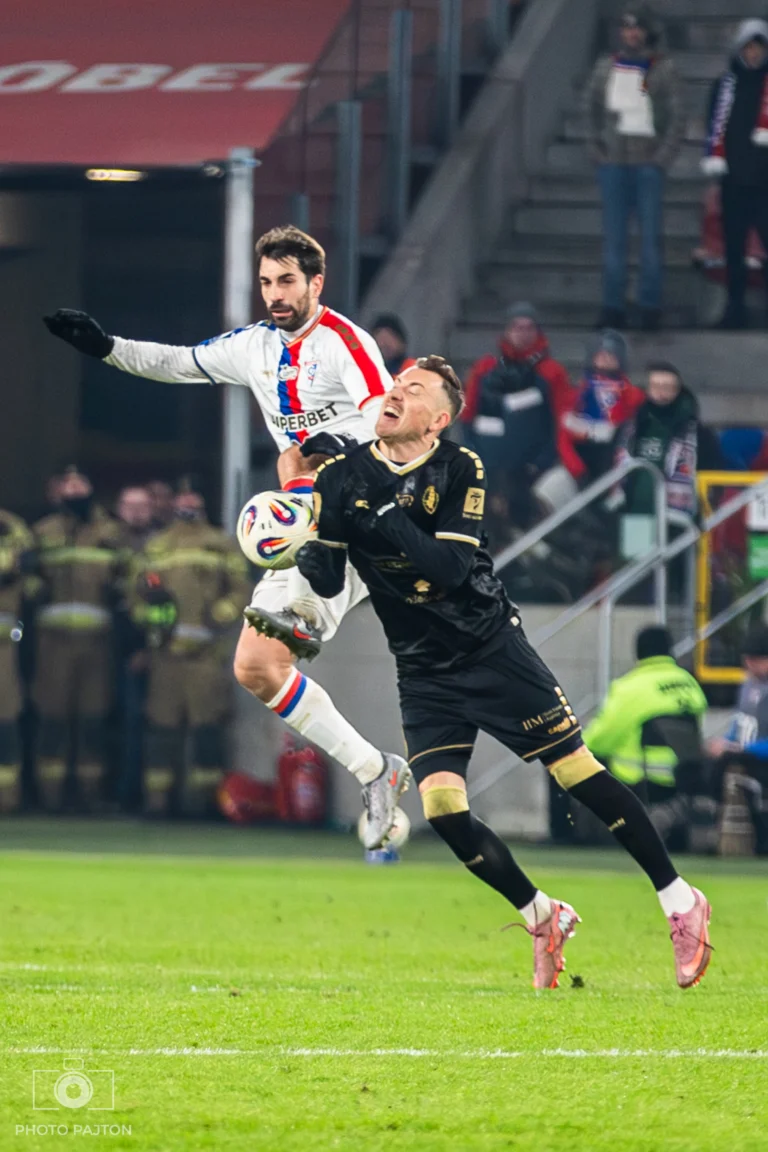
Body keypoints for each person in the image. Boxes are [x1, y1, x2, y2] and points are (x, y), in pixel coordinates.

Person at [296, 356, 712, 990]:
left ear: (436, 420)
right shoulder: (343, 475)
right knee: (441, 808)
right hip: (422, 667)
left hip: (490, 648)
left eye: (413, 390)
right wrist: (302, 539)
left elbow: (450, 571)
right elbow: (327, 574)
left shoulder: (460, 468)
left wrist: (378, 513)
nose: (394, 392)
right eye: (394, 384)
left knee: (576, 772)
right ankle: (541, 914)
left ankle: (680, 900)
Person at [43, 225, 409, 847]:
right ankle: (375, 771)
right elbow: (179, 362)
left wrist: (341, 444)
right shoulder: (253, 347)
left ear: (316, 283)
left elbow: (385, 420)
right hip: (306, 520)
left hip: (365, 513)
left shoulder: (347, 342)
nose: (274, 293)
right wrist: (106, 348)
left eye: (287, 281)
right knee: (256, 667)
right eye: (266, 281)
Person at [132, 486, 251, 816]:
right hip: (164, 656)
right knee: (161, 729)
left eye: (193, 500)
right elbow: (136, 595)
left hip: (206, 654)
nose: (188, 505)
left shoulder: (222, 543)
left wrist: (221, 615)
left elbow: (240, 589)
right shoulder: (157, 546)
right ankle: (157, 804)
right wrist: (152, 621)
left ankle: (202, 805)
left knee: (207, 730)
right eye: (182, 500)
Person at [31, 468, 124, 811]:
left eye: (79, 484)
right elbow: (28, 586)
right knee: (51, 718)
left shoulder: (111, 532)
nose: (73, 491)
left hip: (98, 644)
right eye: (66, 485)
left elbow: (128, 581)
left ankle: (91, 795)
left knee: (93, 719)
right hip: (51, 644)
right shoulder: (42, 533)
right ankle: (48, 798)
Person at [587, 5, 682, 330]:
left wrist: (662, 157)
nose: (632, 33)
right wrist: (595, 148)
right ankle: (612, 307)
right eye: (627, 28)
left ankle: (649, 306)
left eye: (637, 28)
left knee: (650, 241)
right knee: (614, 241)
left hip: (647, 164)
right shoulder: (606, 67)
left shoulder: (663, 69)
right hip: (613, 162)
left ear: (646, 32)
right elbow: (591, 108)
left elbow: (676, 115)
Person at [583, 627, 708, 846]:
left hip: (639, 776)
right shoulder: (691, 684)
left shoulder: (630, 687)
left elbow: (600, 739)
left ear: (638, 653)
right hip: (683, 775)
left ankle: (569, 835)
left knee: (572, 759)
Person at [462, 302, 583, 514]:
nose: (523, 334)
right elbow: (467, 413)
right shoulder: (484, 368)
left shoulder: (553, 372)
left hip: (533, 468)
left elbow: (563, 418)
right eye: (517, 328)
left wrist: (545, 460)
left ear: (538, 332)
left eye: (529, 328)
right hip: (489, 465)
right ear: (507, 331)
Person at [703, 20, 768, 329]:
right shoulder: (724, 86)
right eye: (749, 48)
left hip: (765, 182)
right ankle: (735, 308)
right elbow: (713, 127)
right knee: (734, 248)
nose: (754, 54)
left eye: (759, 48)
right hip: (734, 181)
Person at [708, 624, 768, 854]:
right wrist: (726, 743)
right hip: (746, 752)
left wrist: (744, 749)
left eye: (755, 659)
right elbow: (740, 724)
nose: (749, 665)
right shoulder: (748, 686)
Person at [114, 486, 156, 812]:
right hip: (100, 647)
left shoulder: (159, 546)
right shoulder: (105, 539)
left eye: (143, 506)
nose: (137, 513)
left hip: (143, 648)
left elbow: (155, 606)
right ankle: (112, 791)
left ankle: (132, 796)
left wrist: (144, 648)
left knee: (138, 722)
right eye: (130, 506)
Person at [616, 362, 699, 521]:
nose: (661, 392)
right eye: (656, 386)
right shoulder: (632, 424)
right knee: (636, 545)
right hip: (634, 506)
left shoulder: (693, 429)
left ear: (677, 390)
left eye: (667, 387)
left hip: (676, 513)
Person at [561, 330, 644, 484]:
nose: (606, 359)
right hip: (582, 464)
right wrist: (577, 470)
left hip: (616, 465)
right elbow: (563, 437)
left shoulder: (633, 394)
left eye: (611, 355)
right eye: (601, 355)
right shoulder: (578, 394)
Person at [0, 511, 35, 813]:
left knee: (5, 721)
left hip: (4, 650)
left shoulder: (12, 530)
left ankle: (7, 799)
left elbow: (17, 565)